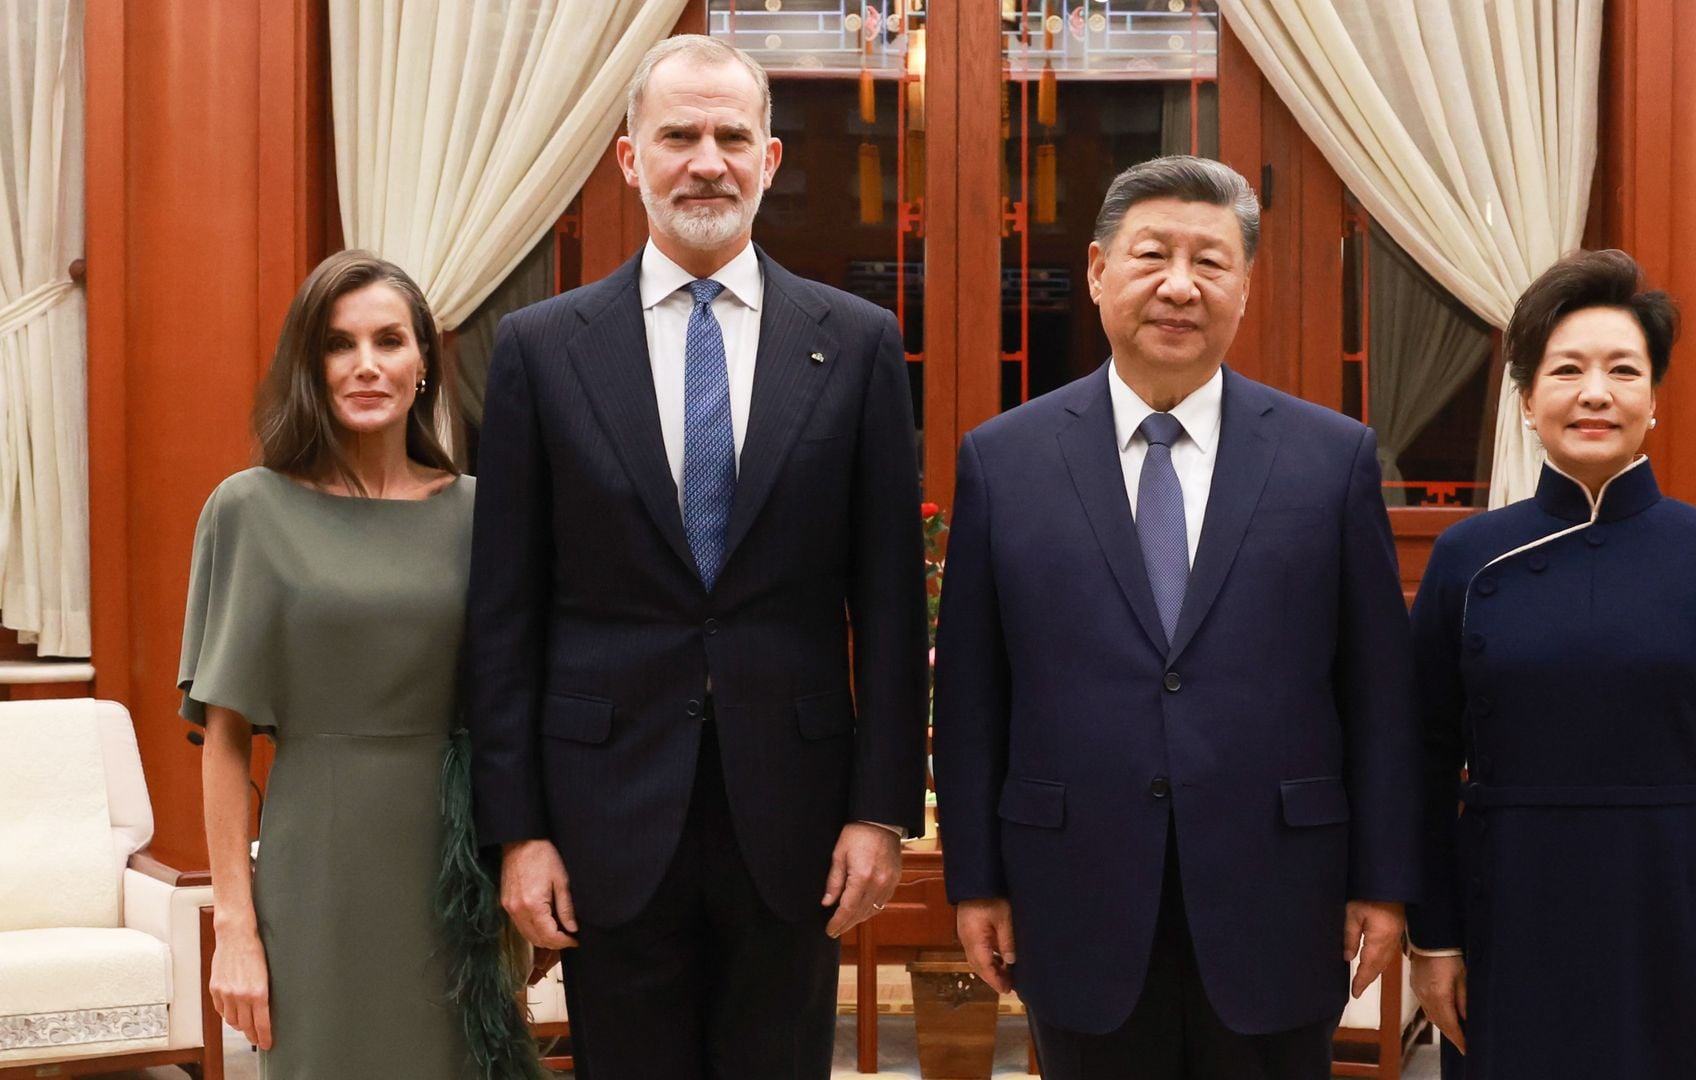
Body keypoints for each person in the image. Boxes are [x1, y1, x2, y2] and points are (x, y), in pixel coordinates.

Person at [463, 34, 927, 1079]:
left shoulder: (854, 345)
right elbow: (505, 613)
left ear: (769, 160)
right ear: (632, 159)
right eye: (678, 136)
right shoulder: (542, 350)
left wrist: (880, 810)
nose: (705, 161)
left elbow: (892, 603)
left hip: (798, 819)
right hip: (601, 814)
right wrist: (518, 829)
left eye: (730, 136)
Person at [931, 156, 1423, 1078]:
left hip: (1282, 894)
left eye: (1211, 261)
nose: (1179, 286)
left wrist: (1383, 883)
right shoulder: (1005, 461)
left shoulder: (1332, 458)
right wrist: (978, 881)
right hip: (1074, 892)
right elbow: (971, 697)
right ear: (1097, 271)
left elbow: (1378, 695)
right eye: (1152, 254)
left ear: (1247, 284)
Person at [1405, 249, 1696, 1079]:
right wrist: (1432, 935)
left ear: (1653, 400)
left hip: (1666, 906)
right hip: (1505, 904)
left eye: (1624, 370)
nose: (1595, 393)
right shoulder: (1466, 556)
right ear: (1525, 399)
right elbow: (1424, 760)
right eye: (1567, 369)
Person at [181, 251, 537, 1078]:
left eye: (389, 341)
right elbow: (225, 742)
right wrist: (233, 926)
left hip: (456, 873)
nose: (367, 365)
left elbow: (515, 710)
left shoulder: (484, 515)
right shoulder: (249, 509)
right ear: (311, 365)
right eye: (340, 345)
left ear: (423, 366)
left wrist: (522, 869)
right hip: (318, 870)